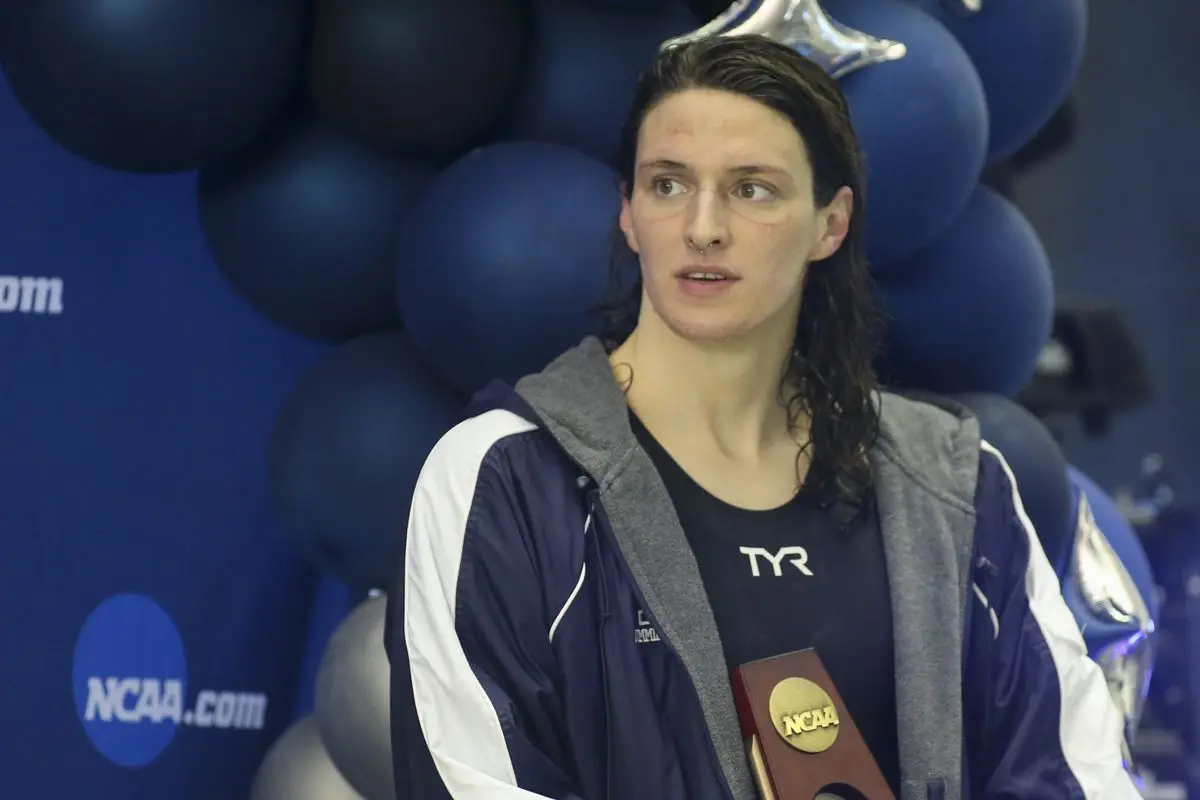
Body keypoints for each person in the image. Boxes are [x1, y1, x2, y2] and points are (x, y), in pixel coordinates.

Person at [385, 34, 1137, 800]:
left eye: (752, 189)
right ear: (629, 215)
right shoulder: (505, 477)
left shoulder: (955, 484)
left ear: (830, 224)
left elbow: (1073, 775)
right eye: (668, 185)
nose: (704, 227)